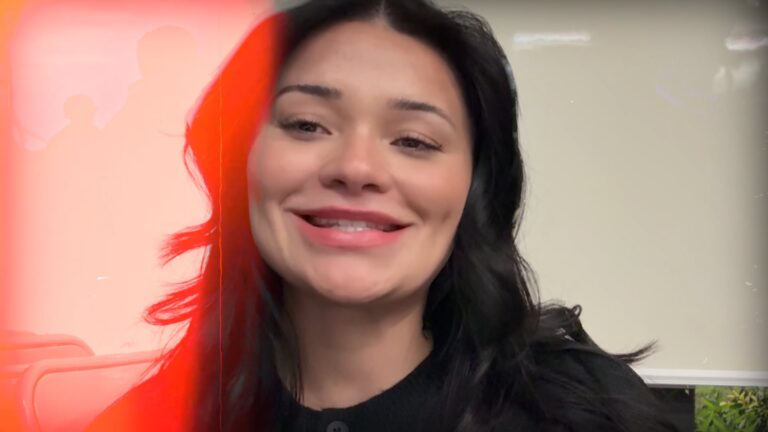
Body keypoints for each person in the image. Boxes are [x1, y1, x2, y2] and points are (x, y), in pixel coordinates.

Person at [88, 0, 680, 431]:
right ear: (239, 162)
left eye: (414, 140)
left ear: (473, 188)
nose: (356, 167)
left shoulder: (587, 416)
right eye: (306, 125)